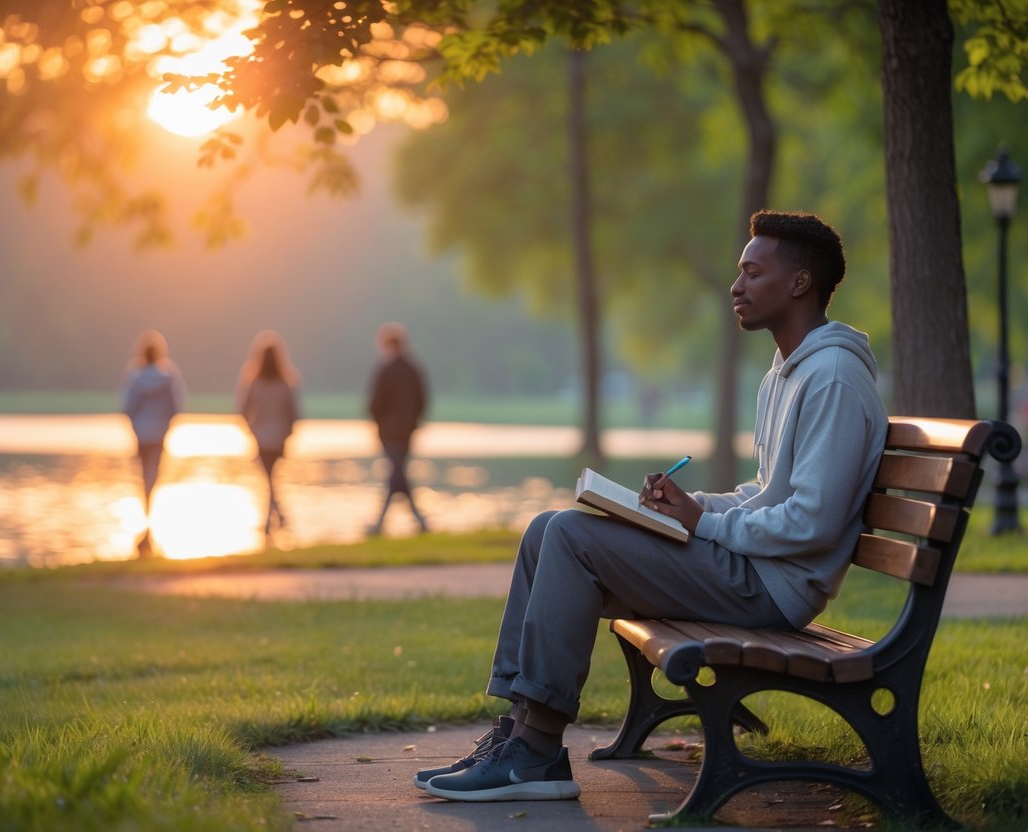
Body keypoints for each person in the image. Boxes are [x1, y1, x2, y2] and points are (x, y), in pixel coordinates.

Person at [416, 210, 888, 803]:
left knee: (569, 536)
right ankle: (517, 733)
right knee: (545, 530)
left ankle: (535, 754)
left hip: (772, 589)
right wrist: (688, 506)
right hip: (752, 572)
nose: (736, 286)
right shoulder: (788, 371)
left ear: (799, 283)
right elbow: (770, 491)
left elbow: (811, 522)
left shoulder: (834, 377)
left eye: (751, 272)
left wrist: (705, 523)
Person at [120, 329, 187, 554]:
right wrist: (167, 424)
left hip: (141, 433)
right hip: (159, 434)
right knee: (153, 477)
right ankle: (149, 526)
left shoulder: (135, 376)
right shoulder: (169, 376)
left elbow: (128, 407)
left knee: (143, 477)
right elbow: (176, 406)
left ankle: (146, 525)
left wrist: (135, 424)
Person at [235, 330, 301, 536]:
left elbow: (242, 410)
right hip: (279, 436)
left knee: (269, 478)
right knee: (271, 478)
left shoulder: (254, 382)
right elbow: (294, 414)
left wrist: (252, 429)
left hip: (262, 437)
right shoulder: (286, 383)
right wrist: (287, 433)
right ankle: (276, 517)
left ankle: (271, 520)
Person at [366, 322, 429, 534]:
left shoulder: (384, 370)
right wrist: (413, 421)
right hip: (408, 430)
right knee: (398, 473)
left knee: (396, 474)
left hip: (389, 432)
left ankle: (382, 523)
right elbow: (423, 401)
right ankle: (418, 521)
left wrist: (379, 423)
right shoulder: (414, 370)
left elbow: (374, 404)